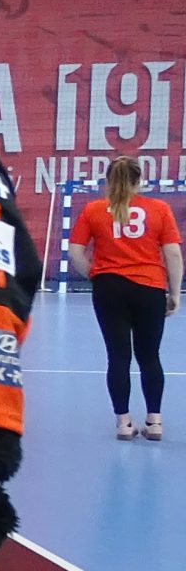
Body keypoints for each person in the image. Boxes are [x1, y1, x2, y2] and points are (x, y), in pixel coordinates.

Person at [68, 155, 182, 440]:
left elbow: (75, 252)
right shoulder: (159, 209)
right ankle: (154, 422)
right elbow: (173, 253)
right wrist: (174, 292)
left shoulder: (94, 210)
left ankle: (123, 423)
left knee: (117, 356)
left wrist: (95, 275)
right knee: (149, 356)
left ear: (108, 180)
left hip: (109, 289)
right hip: (149, 288)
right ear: (139, 180)